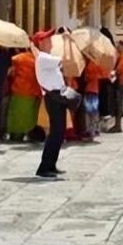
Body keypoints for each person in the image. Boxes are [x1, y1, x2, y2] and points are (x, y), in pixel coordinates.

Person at [33, 29, 79, 178]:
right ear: (40, 42)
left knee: (58, 133)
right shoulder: (43, 57)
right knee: (55, 134)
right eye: (47, 39)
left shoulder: (47, 58)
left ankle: (51, 164)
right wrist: (66, 41)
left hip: (57, 96)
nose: (50, 41)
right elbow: (66, 59)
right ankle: (44, 167)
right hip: (53, 98)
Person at [7, 48, 42, 141]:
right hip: (35, 90)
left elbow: (11, 73)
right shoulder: (37, 58)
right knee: (31, 114)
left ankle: (17, 134)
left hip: (20, 89)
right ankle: (31, 133)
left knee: (18, 113)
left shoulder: (16, 59)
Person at [81, 55, 105, 141]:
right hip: (95, 89)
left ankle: (91, 132)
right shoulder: (97, 63)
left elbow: (89, 77)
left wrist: (86, 76)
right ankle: (95, 129)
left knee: (89, 112)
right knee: (94, 111)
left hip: (90, 89)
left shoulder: (91, 65)